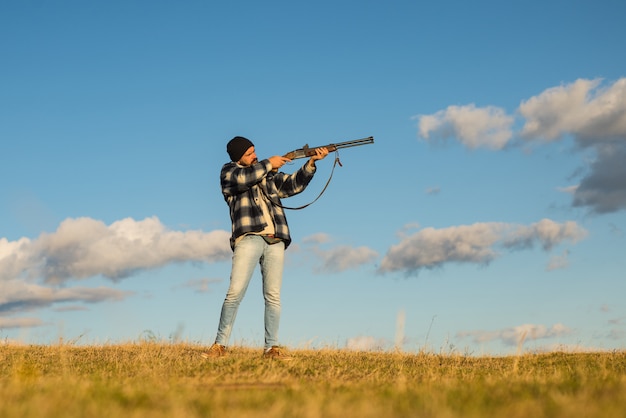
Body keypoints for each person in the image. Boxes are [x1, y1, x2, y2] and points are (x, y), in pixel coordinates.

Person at [203, 136, 329, 360]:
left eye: (254, 151)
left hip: (275, 239)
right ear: (238, 156)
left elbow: (292, 186)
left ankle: (271, 349)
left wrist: (310, 164)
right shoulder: (229, 172)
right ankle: (219, 346)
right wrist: (270, 163)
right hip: (249, 237)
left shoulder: (266, 173)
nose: (254, 155)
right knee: (234, 294)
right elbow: (244, 178)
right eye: (249, 153)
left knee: (273, 296)